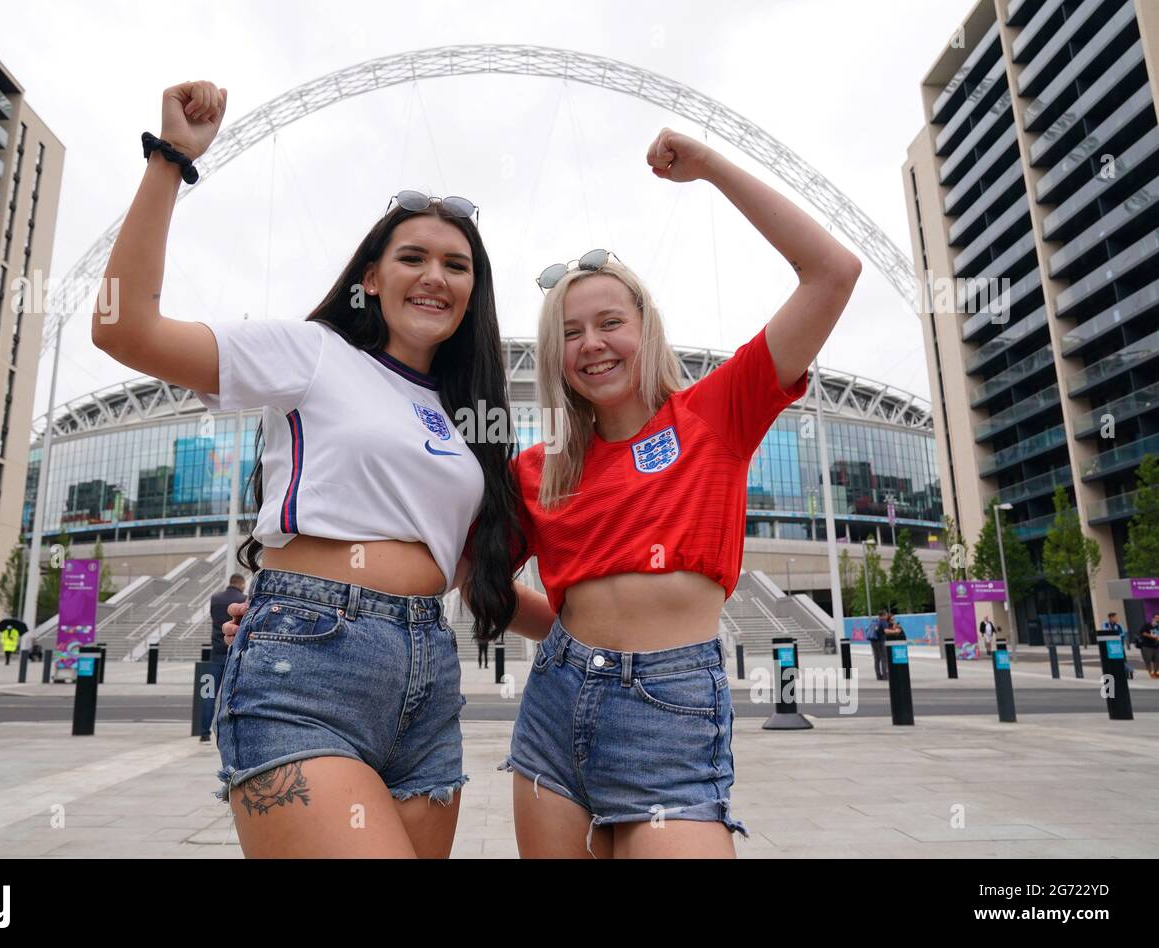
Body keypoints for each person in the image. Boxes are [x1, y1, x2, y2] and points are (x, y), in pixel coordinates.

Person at [229, 128, 860, 858]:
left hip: (672, 714)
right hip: (556, 715)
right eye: (570, 332)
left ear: (645, 328)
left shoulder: (718, 412)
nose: (591, 343)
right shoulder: (536, 470)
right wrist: (290, 594)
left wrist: (712, 169)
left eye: (609, 323)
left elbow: (832, 273)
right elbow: (455, 572)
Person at [92, 80, 527, 858]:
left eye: (456, 266)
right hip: (308, 661)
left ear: (472, 293)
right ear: (369, 278)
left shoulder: (469, 428)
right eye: (413, 257)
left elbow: (463, 570)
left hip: (429, 679)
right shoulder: (310, 353)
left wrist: (611, 635)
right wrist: (171, 161)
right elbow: (124, 328)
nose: (436, 275)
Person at [209, 574, 247, 664]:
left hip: (217, 647)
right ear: (242, 584)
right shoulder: (244, 600)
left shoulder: (215, 598)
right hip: (236, 648)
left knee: (215, 677)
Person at [867, 609, 888, 681]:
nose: (887, 616)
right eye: (886, 614)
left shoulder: (874, 620)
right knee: (884, 658)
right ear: (883, 615)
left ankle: (878, 676)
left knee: (877, 659)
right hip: (880, 641)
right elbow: (886, 631)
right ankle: (885, 676)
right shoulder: (883, 622)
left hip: (873, 641)